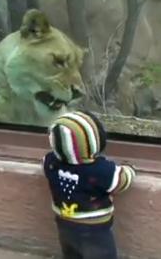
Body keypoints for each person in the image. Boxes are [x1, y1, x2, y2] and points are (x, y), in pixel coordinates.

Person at [42, 110, 136, 259]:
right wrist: (129, 169)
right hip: (94, 228)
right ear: (95, 142)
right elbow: (121, 181)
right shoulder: (99, 170)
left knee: (71, 254)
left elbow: (45, 162)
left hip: (64, 223)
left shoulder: (51, 162)